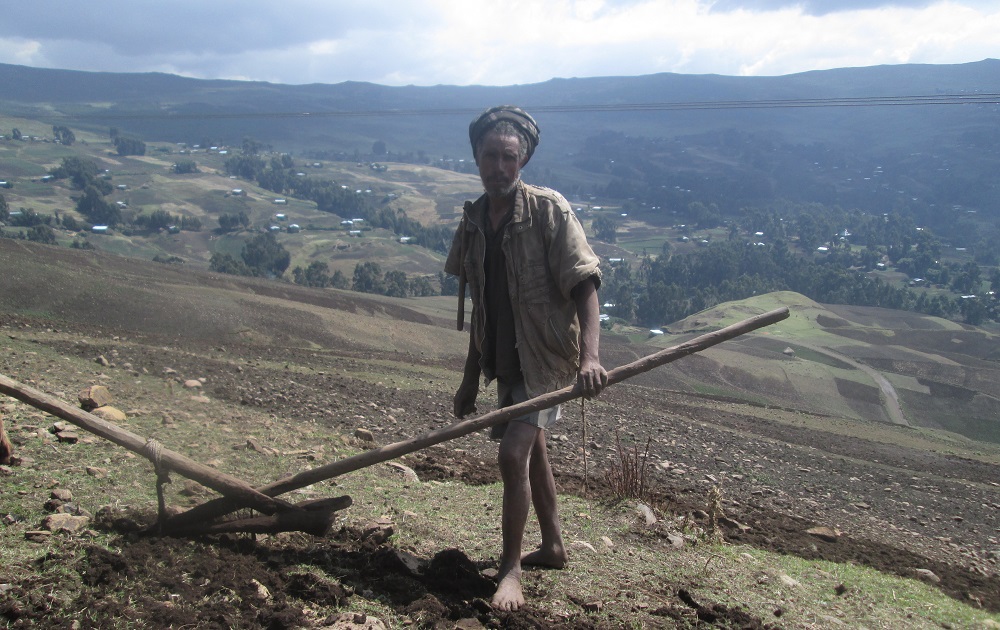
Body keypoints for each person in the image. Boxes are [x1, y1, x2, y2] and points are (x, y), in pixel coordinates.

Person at [444, 105, 608, 611]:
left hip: (548, 360)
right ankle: (553, 546)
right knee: (532, 450)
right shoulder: (473, 222)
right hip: (505, 360)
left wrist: (590, 359)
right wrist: (470, 379)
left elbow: (585, 287)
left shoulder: (548, 212)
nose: (498, 166)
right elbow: (480, 305)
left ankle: (511, 570)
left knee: (513, 453)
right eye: (489, 155)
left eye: (508, 156)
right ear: (476, 157)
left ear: (524, 159)